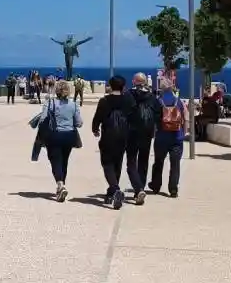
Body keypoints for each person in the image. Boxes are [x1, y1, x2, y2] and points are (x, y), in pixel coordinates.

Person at [30, 79, 82, 202]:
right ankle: (62, 184)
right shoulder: (73, 104)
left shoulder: (50, 103)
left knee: (55, 160)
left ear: (56, 90)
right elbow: (79, 123)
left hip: (54, 135)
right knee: (64, 161)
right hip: (69, 136)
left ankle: (60, 184)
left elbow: (43, 119)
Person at [91, 74, 130, 208]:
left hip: (108, 136)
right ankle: (111, 192)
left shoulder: (105, 101)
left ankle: (115, 189)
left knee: (107, 164)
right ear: (123, 86)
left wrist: (95, 129)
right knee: (117, 164)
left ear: (110, 86)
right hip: (123, 136)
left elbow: (97, 117)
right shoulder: (127, 100)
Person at [149, 78, 189, 198]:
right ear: (172, 88)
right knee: (175, 164)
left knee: (158, 162)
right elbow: (186, 118)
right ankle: (173, 189)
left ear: (161, 89)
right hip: (177, 137)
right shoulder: (179, 101)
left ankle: (156, 186)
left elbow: (153, 120)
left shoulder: (158, 101)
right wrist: (184, 133)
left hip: (161, 137)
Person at [123, 72, 159, 204]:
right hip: (147, 133)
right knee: (143, 161)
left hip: (132, 132)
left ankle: (138, 189)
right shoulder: (152, 96)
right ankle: (141, 186)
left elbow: (124, 112)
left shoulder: (128, 95)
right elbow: (158, 113)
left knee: (131, 162)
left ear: (134, 81)